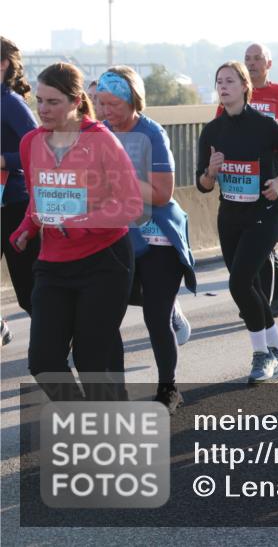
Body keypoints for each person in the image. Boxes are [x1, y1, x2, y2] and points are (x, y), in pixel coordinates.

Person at [11, 63, 142, 401]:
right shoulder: (30, 143)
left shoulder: (101, 141)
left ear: (75, 101)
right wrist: (28, 227)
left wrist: (78, 221)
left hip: (104, 261)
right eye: (39, 101)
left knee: (92, 360)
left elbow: (130, 206)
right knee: (43, 362)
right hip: (53, 264)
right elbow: (38, 197)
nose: (42, 109)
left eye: (52, 102)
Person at [97, 67, 197, 414]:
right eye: (101, 104)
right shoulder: (101, 133)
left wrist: (120, 178)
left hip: (157, 238)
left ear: (131, 100)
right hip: (118, 236)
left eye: (113, 104)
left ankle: (168, 388)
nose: (106, 111)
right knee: (107, 317)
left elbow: (162, 193)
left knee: (155, 318)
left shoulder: (151, 132)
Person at [197, 61, 278, 384]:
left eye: (229, 81)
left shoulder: (266, 126)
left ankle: (262, 354)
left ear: (244, 86)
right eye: (219, 81)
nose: (223, 86)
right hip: (230, 217)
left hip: (264, 215)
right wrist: (211, 171)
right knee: (248, 287)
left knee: (239, 284)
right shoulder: (213, 131)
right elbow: (203, 185)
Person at [217, 44, 278, 319]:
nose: (252, 64)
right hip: (241, 175)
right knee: (257, 246)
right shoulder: (231, 97)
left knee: (269, 238)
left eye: (257, 59)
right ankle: (259, 296)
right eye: (247, 60)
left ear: (269, 64)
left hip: (272, 170)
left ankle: (267, 298)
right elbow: (220, 132)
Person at [1, 37, 39, 345]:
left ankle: (55, 339)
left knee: (27, 290)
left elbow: (38, 145)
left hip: (15, 203)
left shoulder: (11, 102)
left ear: (3, 65)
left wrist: (4, 159)